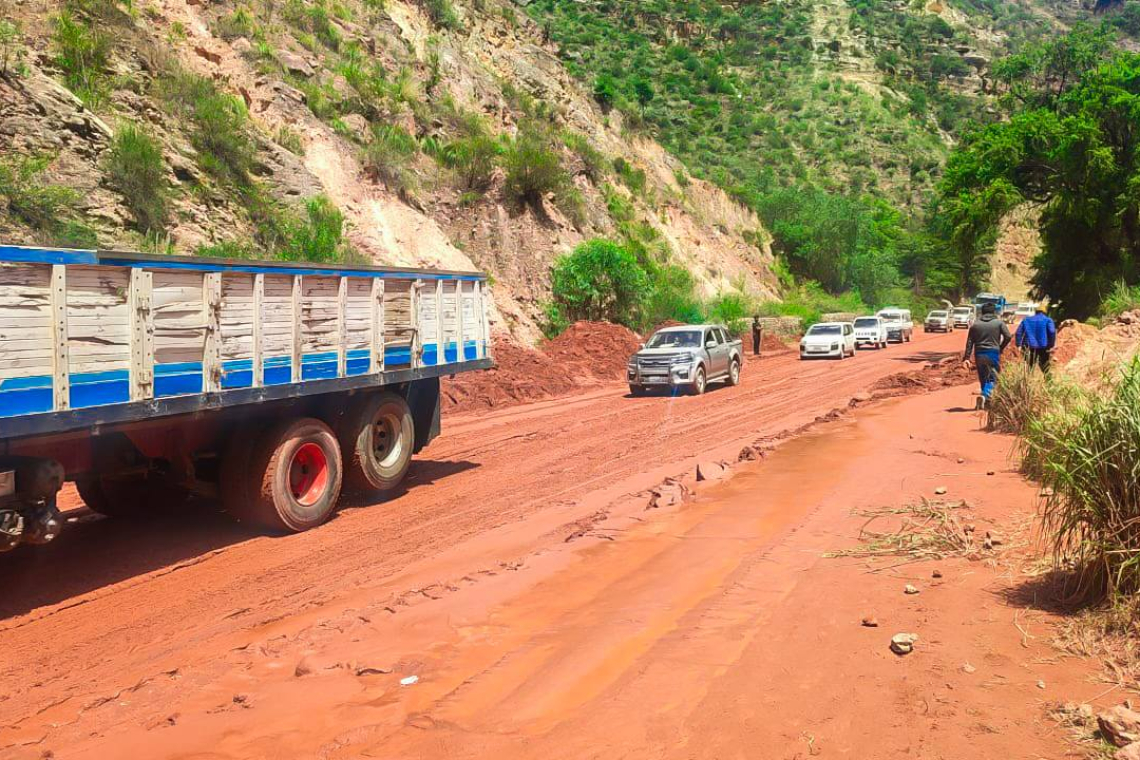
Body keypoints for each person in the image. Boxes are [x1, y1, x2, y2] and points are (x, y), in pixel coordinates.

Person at [963, 302, 1012, 410]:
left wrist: (966, 358)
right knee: (992, 378)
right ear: (994, 312)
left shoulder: (975, 325)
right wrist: (1001, 347)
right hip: (993, 353)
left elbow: (969, 343)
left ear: (982, 312)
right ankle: (985, 396)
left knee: (983, 377)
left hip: (979, 353)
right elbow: (1008, 336)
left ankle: (985, 400)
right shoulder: (999, 323)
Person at [1016, 306, 1056, 372]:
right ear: (1044, 312)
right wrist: (1051, 345)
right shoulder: (1048, 320)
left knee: (1029, 368)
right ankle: (1048, 381)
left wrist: (1019, 345)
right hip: (1044, 347)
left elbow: (1018, 333)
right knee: (1045, 368)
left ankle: (1028, 381)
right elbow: (1052, 332)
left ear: (1035, 312)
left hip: (1028, 347)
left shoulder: (1026, 320)